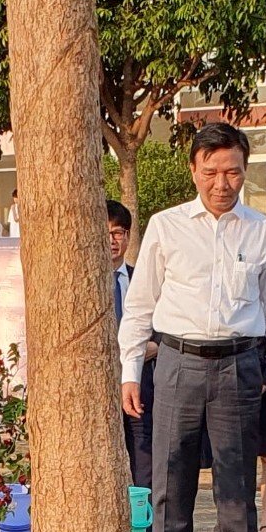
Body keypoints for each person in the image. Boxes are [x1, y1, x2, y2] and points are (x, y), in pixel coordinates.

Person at [120, 122, 266, 532]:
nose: (222, 183)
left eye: (234, 172)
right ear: (194, 170)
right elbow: (139, 305)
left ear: (245, 171)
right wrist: (130, 370)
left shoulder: (265, 233)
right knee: (169, 480)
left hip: (241, 367)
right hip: (176, 364)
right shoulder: (166, 226)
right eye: (211, 171)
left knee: (236, 484)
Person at [108, 199, 156, 491]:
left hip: (142, 386)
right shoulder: (83, 284)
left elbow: (164, 328)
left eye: (118, 232)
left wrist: (154, 347)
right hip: (102, 392)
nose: (113, 240)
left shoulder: (143, 280)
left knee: (145, 466)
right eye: (106, 232)